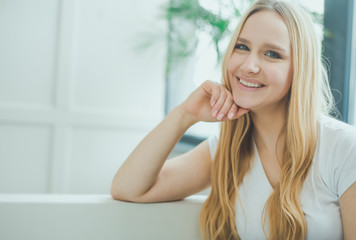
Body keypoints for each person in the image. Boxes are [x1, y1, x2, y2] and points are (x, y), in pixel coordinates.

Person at [111, 0, 356, 239]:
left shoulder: (344, 148)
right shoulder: (225, 150)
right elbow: (128, 188)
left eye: (272, 54)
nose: (249, 65)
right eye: (242, 47)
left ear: (299, 70)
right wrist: (186, 114)